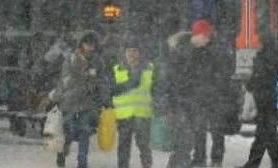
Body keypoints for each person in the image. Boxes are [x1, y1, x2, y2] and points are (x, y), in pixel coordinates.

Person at [161, 19, 223, 168]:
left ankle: (190, 162)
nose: (208, 40)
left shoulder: (202, 53)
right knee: (183, 143)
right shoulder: (182, 53)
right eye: (206, 36)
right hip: (182, 104)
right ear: (198, 34)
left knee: (189, 141)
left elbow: (205, 78)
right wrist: (171, 103)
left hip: (194, 103)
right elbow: (173, 81)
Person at [52, 31, 101, 168]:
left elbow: (99, 81)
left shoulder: (96, 61)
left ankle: (82, 163)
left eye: (92, 44)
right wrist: (85, 80)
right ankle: (61, 154)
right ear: (82, 44)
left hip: (86, 104)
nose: (90, 47)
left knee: (84, 131)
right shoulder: (71, 59)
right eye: (87, 43)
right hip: (69, 102)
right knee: (69, 131)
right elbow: (66, 80)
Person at [237, 33, 278, 168]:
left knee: (265, 133)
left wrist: (249, 84)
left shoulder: (262, 57)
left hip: (264, 100)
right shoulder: (275, 57)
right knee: (266, 133)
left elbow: (259, 77)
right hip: (271, 99)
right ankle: (274, 162)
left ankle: (259, 163)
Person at [107, 36, 154, 168]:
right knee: (123, 147)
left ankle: (146, 165)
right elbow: (111, 89)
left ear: (139, 52)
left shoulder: (150, 68)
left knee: (144, 146)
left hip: (143, 114)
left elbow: (156, 88)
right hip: (124, 115)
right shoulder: (117, 69)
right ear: (124, 52)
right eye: (129, 51)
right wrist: (128, 85)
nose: (131, 54)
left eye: (134, 51)